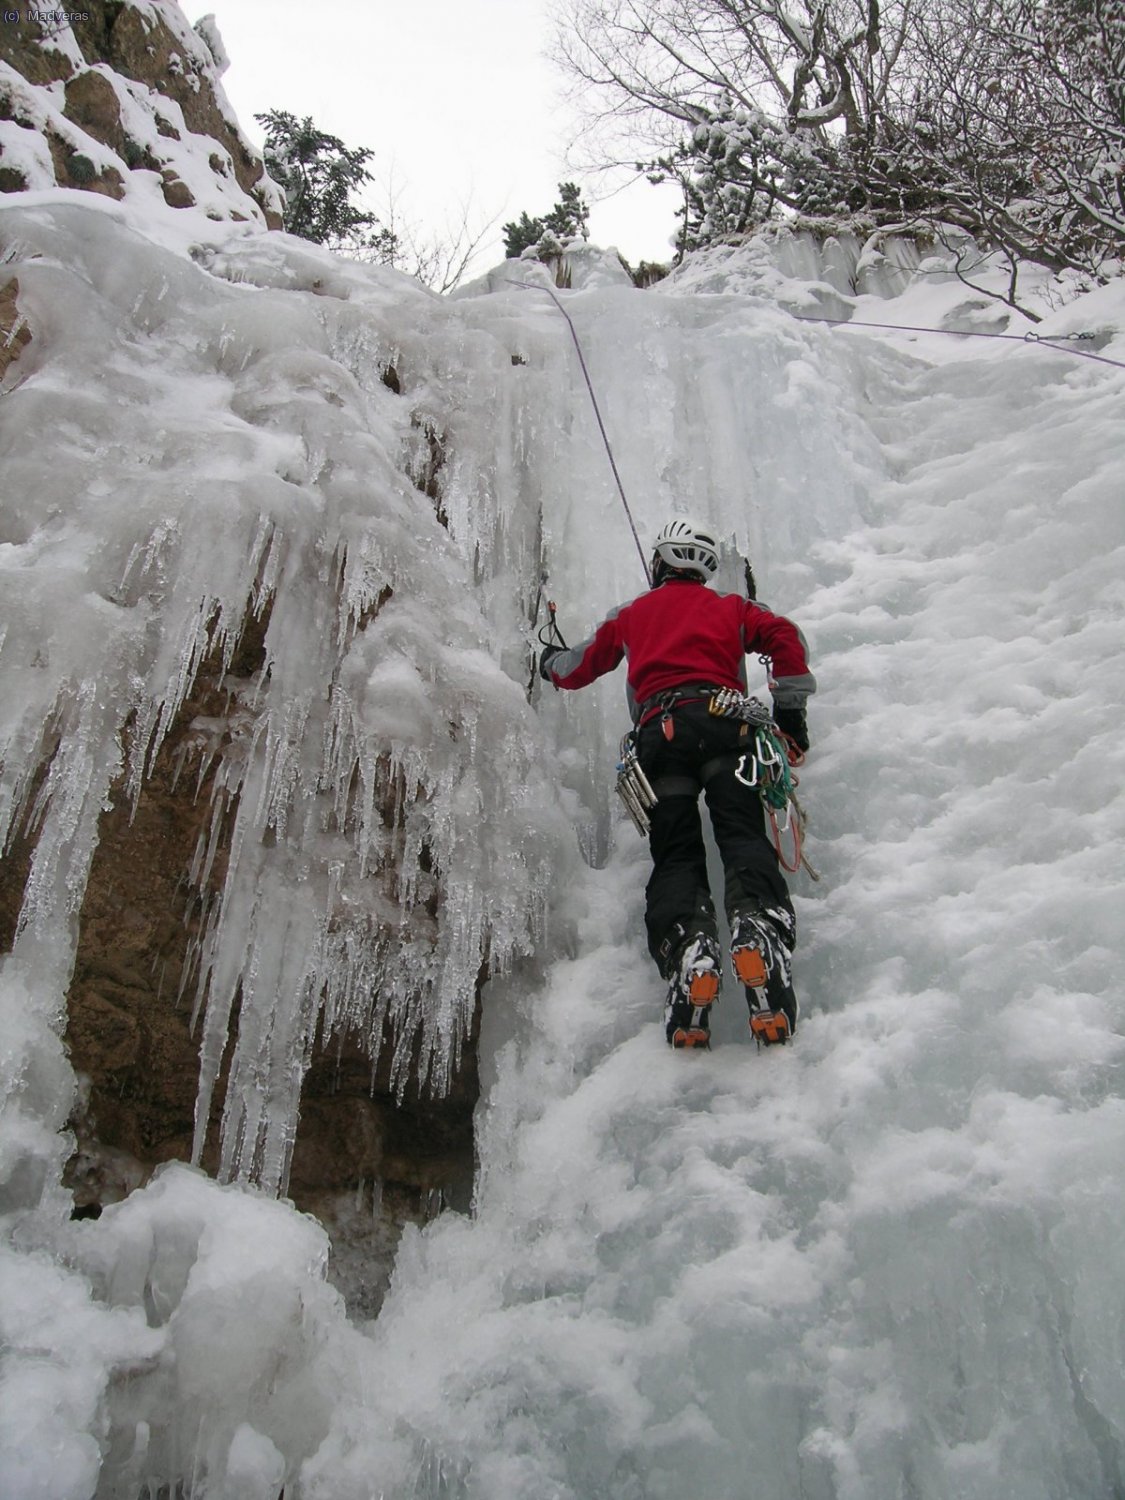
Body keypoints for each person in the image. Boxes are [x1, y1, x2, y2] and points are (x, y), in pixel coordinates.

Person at [539, 518, 815, 1050]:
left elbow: (578, 666)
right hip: (726, 728)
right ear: (703, 571)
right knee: (741, 837)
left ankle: (690, 946)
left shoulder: (633, 613)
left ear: (662, 562)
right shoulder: (733, 609)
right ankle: (757, 930)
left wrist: (547, 661)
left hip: (660, 742)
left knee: (677, 856)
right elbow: (786, 636)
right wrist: (791, 716)